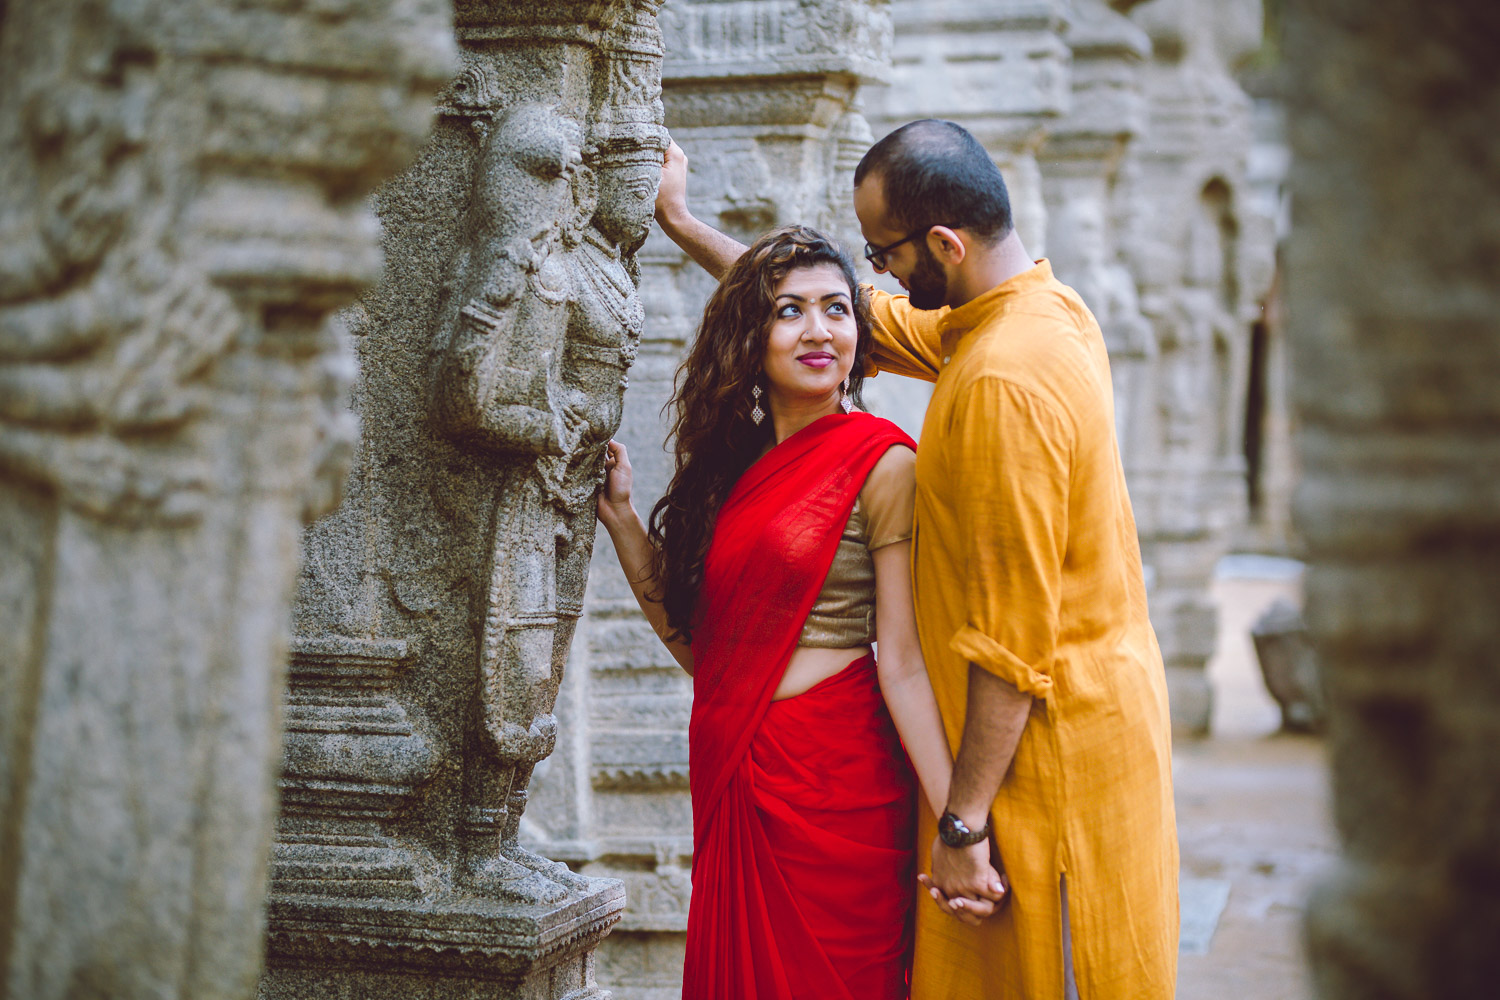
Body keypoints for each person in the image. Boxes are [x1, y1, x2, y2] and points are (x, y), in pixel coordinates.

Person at [653, 120, 1180, 999]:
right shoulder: (1028, 312)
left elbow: (1011, 647)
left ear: (943, 243)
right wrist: (686, 226)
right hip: (1075, 718)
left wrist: (963, 821)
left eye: (883, 252)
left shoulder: (1003, 380)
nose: (877, 276)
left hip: (1043, 748)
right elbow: (819, 313)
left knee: (1058, 970)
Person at [595, 225, 958, 999]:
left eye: (837, 309)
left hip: (842, 788)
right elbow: (708, 656)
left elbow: (902, 660)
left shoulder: (885, 461)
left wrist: (963, 824)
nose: (820, 330)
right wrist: (625, 526)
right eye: (790, 311)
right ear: (750, 335)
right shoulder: (730, 470)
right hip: (740, 770)